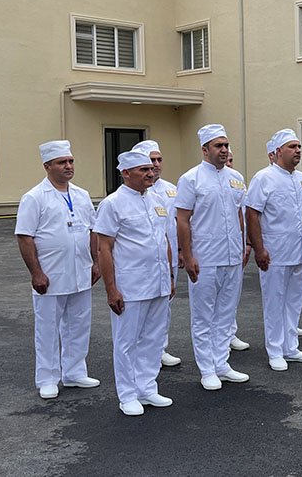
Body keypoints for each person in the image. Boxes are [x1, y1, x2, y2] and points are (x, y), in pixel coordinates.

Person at [15, 140, 100, 400]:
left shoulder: (82, 195)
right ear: (47, 166)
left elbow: (93, 230)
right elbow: (25, 237)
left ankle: (74, 372)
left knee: (79, 324)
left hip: (80, 271)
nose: (68, 166)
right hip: (51, 275)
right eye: (62, 162)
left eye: (71, 161)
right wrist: (36, 272)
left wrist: (96, 262)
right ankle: (48, 377)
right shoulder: (34, 197)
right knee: (48, 328)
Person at [95, 151, 174, 416]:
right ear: (125, 173)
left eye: (151, 168)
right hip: (130, 284)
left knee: (153, 339)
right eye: (143, 170)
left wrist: (171, 276)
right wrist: (111, 288)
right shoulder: (112, 203)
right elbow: (103, 248)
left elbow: (164, 240)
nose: (151, 173)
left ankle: (147, 387)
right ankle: (127, 394)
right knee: (127, 341)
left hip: (159, 281)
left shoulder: (157, 199)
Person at [175, 124, 250, 391]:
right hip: (205, 256)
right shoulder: (191, 178)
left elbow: (240, 214)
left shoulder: (236, 177)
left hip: (232, 255)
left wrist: (244, 244)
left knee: (226, 313)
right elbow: (182, 220)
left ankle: (222, 363)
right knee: (204, 315)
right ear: (205, 149)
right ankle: (207, 368)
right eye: (218, 146)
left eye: (226, 145)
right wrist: (187, 254)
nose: (224, 150)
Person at [246, 129, 302, 371]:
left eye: (299, 146)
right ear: (277, 152)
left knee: (294, 301)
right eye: (292, 147)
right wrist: (259, 248)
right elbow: (252, 213)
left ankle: (291, 346)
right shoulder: (263, 178)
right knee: (275, 301)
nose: (298, 150)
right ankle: (275, 350)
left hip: (300, 251)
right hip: (275, 251)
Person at [130, 140, 183, 368]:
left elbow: (178, 222)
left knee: (164, 306)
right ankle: (139, 352)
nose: (157, 165)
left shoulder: (171, 189)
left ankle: (160, 347)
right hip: (141, 262)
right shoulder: (132, 195)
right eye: (152, 161)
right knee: (141, 309)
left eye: (159, 160)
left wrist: (180, 251)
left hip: (167, 256)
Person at [224, 150, 251, 351]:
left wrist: (246, 244)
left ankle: (230, 333)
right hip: (212, 250)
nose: (229, 162)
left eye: (232, 159)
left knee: (231, 296)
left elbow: (244, 215)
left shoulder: (237, 180)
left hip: (236, 246)